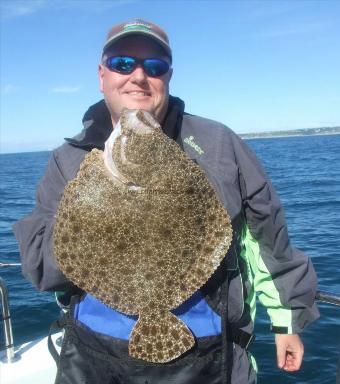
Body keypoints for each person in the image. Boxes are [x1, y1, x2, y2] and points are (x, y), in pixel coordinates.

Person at [13, 19, 319, 384]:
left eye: (154, 67)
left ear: (168, 76)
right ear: (102, 75)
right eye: (123, 63)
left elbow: (267, 236)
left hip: (211, 357)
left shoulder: (219, 145)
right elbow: (39, 269)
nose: (138, 76)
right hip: (92, 360)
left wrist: (287, 321)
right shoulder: (68, 159)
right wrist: (98, 215)